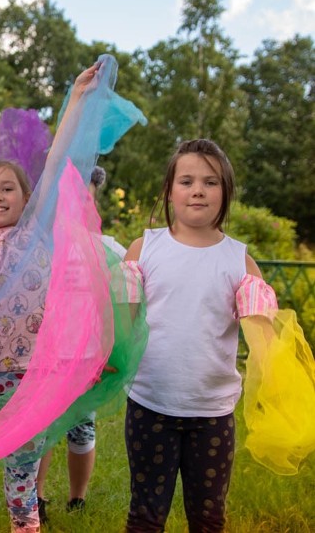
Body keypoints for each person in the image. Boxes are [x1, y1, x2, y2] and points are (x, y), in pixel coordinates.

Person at [0, 63, 101, 533]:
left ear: (27, 196)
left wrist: (75, 98)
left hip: (30, 377)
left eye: (7, 188)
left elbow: (56, 161)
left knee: (21, 479)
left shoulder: (36, 233)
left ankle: (25, 525)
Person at [121, 139, 269, 532]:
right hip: (150, 405)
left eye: (211, 182)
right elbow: (121, 327)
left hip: (212, 413)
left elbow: (265, 342)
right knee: (146, 514)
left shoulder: (240, 261)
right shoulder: (143, 249)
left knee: (208, 517)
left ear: (226, 192)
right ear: (170, 190)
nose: (198, 190)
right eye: (186, 181)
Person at [35, 165, 122, 522]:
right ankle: (36, 497)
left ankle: (78, 498)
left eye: (84, 195)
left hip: (87, 363)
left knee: (81, 430)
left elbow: (114, 308)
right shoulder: (42, 248)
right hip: (48, 359)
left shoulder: (107, 248)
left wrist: (102, 354)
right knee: (42, 431)